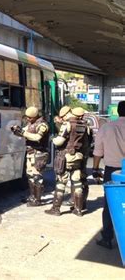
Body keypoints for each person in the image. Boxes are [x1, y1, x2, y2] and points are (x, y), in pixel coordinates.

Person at [45, 107, 89, 217]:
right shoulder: (85, 125)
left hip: (66, 157)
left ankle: (56, 209)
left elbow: (60, 141)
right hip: (78, 157)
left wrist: (52, 139)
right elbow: (87, 143)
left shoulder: (68, 124)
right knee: (77, 182)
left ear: (66, 115)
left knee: (61, 181)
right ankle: (78, 210)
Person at [93, 100, 125, 249]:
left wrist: (95, 169)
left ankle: (107, 238)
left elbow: (98, 151)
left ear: (118, 111)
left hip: (112, 171)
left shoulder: (106, 128)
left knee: (110, 204)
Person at [11, 106, 50, 207]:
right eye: (27, 117)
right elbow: (25, 133)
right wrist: (17, 131)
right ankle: (32, 196)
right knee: (30, 176)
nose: (28, 119)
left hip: (39, 154)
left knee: (37, 177)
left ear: (35, 116)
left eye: (30, 117)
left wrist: (23, 132)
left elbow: (37, 137)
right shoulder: (30, 124)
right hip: (30, 153)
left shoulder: (42, 125)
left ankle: (37, 199)